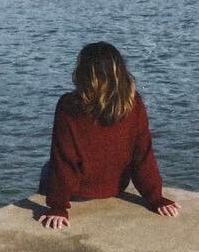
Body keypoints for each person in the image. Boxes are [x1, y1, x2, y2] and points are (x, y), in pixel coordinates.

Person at [39, 42, 180, 229]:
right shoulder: (133, 103)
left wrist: (58, 206)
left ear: (82, 73)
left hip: (79, 192)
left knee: (47, 168)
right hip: (115, 187)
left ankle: (51, 197)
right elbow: (143, 156)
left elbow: (64, 161)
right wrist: (156, 197)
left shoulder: (68, 106)